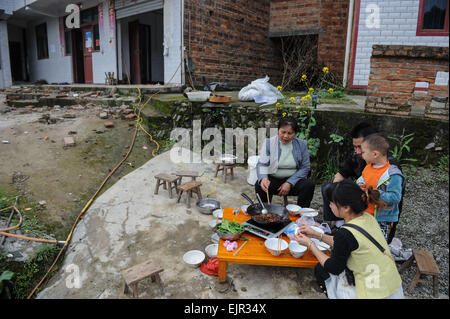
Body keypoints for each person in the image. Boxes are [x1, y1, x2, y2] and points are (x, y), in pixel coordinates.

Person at [294, 179, 404, 299]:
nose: (330, 205)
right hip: (393, 285)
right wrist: (316, 234)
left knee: (322, 270)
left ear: (346, 207)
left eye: (331, 202)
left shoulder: (345, 233)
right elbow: (347, 243)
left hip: (373, 292)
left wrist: (310, 245)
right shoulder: (368, 218)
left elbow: (334, 268)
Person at [255, 116, 315, 207]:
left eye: (290, 133)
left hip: (294, 180)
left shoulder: (302, 145)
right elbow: (262, 164)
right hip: (273, 180)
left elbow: (305, 167)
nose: (286, 136)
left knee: (309, 185)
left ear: (295, 133)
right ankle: (265, 211)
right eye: (283, 132)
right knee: (259, 184)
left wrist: (289, 182)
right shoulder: (269, 143)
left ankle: (302, 215)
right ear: (278, 130)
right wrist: (263, 178)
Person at [356, 133, 405, 241]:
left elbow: (396, 197)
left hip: (383, 219)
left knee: (378, 245)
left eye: (363, 152)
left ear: (375, 154)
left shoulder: (393, 174)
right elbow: (361, 183)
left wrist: (377, 194)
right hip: (364, 214)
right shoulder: (367, 168)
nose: (360, 154)